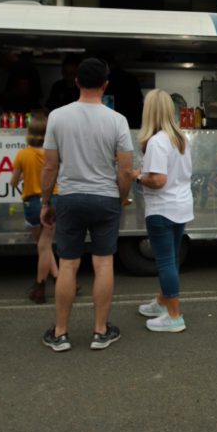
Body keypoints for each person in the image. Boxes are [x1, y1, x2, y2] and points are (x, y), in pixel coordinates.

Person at [39, 57, 134, 353]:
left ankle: (61, 333)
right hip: (105, 197)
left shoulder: (57, 116)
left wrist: (45, 201)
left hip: (69, 196)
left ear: (76, 82)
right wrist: (120, 197)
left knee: (68, 264)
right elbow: (125, 169)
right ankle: (100, 331)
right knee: (103, 262)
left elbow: (50, 166)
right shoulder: (117, 120)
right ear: (105, 85)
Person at [131, 89, 193, 333]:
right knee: (172, 259)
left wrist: (138, 177)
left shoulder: (157, 142)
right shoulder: (180, 139)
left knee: (166, 262)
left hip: (162, 209)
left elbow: (158, 180)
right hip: (180, 206)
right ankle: (162, 302)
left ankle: (174, 316)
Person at [9, 114, 58, 304]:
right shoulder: (52, 153)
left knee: (42, 246)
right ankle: (54, 279)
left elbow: (13, 182)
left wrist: (23, 179)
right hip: (51, 200)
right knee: (45, 246)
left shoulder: (23, 154)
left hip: (30, 202)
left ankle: (41, 286)